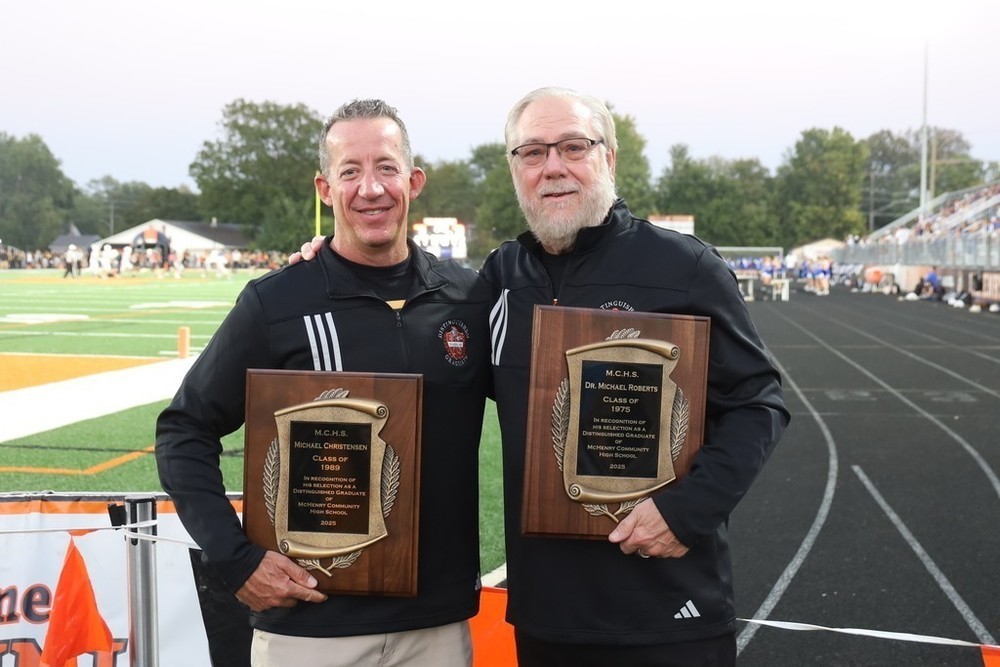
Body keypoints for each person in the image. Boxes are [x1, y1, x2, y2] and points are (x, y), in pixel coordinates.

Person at [295, 86, 789, 666]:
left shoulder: (685, 269)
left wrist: (686, 512)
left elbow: (759, 403)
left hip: (668, 613)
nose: (552, 167)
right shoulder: (503, 278)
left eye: (572, 147)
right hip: (547, 621)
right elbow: (426, 360)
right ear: (515, 170)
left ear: (608, 158)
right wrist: (331, 261)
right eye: (531, 153)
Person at [156, 98, 492, 667]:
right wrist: (235, 559)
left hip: (436, 628)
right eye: (350, 171)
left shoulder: (469, 298)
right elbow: (184, 430)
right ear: (324, 189)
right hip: (309, 628)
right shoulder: (277, 301)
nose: (371, 188)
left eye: (386, 167)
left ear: (414, 180)